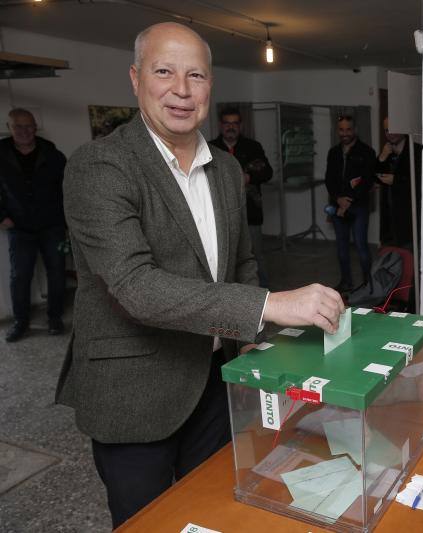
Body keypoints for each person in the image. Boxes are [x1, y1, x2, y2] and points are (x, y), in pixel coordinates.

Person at [55, 22, 344, 528]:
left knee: (212, 511)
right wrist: (270, 305)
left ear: (211, 85)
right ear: (135, 78)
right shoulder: (100, 167)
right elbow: (136, 288)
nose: (182, 90)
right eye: (164, 71)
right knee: (148, 521)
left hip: (214, 383)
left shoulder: (227, 170)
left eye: (196, 75)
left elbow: (242, 265)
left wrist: (259, 342)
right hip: (135, 392)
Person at [0, 108, 67, 342]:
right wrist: (1, 217)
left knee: (57, 273)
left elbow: (67, 186)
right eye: (18, 126)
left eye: (29, 126)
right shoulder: (0, 152)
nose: (24, 131)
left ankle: (55, 318)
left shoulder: (50, 152)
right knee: (20, 276)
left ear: (35, 127)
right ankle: (21, 322)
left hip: (53, 225)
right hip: (19, 228)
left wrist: (67, 218)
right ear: (9, 127)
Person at [209, 107, 273, 288]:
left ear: (240, 125)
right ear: (221, 126)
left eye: (235, 123)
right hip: (219, 215)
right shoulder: (210, 148)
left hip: (251, 213)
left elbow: (268, 173)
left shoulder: (253, 147)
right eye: (227, 123)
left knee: (254, 255)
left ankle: (263, 298)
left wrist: (249, 178)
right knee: (223, 257)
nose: (231, 127)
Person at [324, 115, 376, 293]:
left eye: (348, 129)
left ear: (355, 130)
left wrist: (349, 200)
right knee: (341, 248)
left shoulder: (367, 152)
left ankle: (369, 285)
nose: (344, 133)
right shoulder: (333, 152)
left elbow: (368, 181)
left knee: (361, 247)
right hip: (338, 206)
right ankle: (346, 282)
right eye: (341, 129)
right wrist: (338, 199)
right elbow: (329, 179)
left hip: (359, 206)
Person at [376, 116, 422, 248]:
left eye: (393, 129)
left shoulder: (416, 150)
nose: (390, 134)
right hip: (390, 219)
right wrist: (382, 158)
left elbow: (419, 181)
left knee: (409, 258)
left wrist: (395, 180)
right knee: (393, 261)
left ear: (402, 129)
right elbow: (374, 176)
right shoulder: (387, 151)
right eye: (386, 130)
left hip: (409, 219)